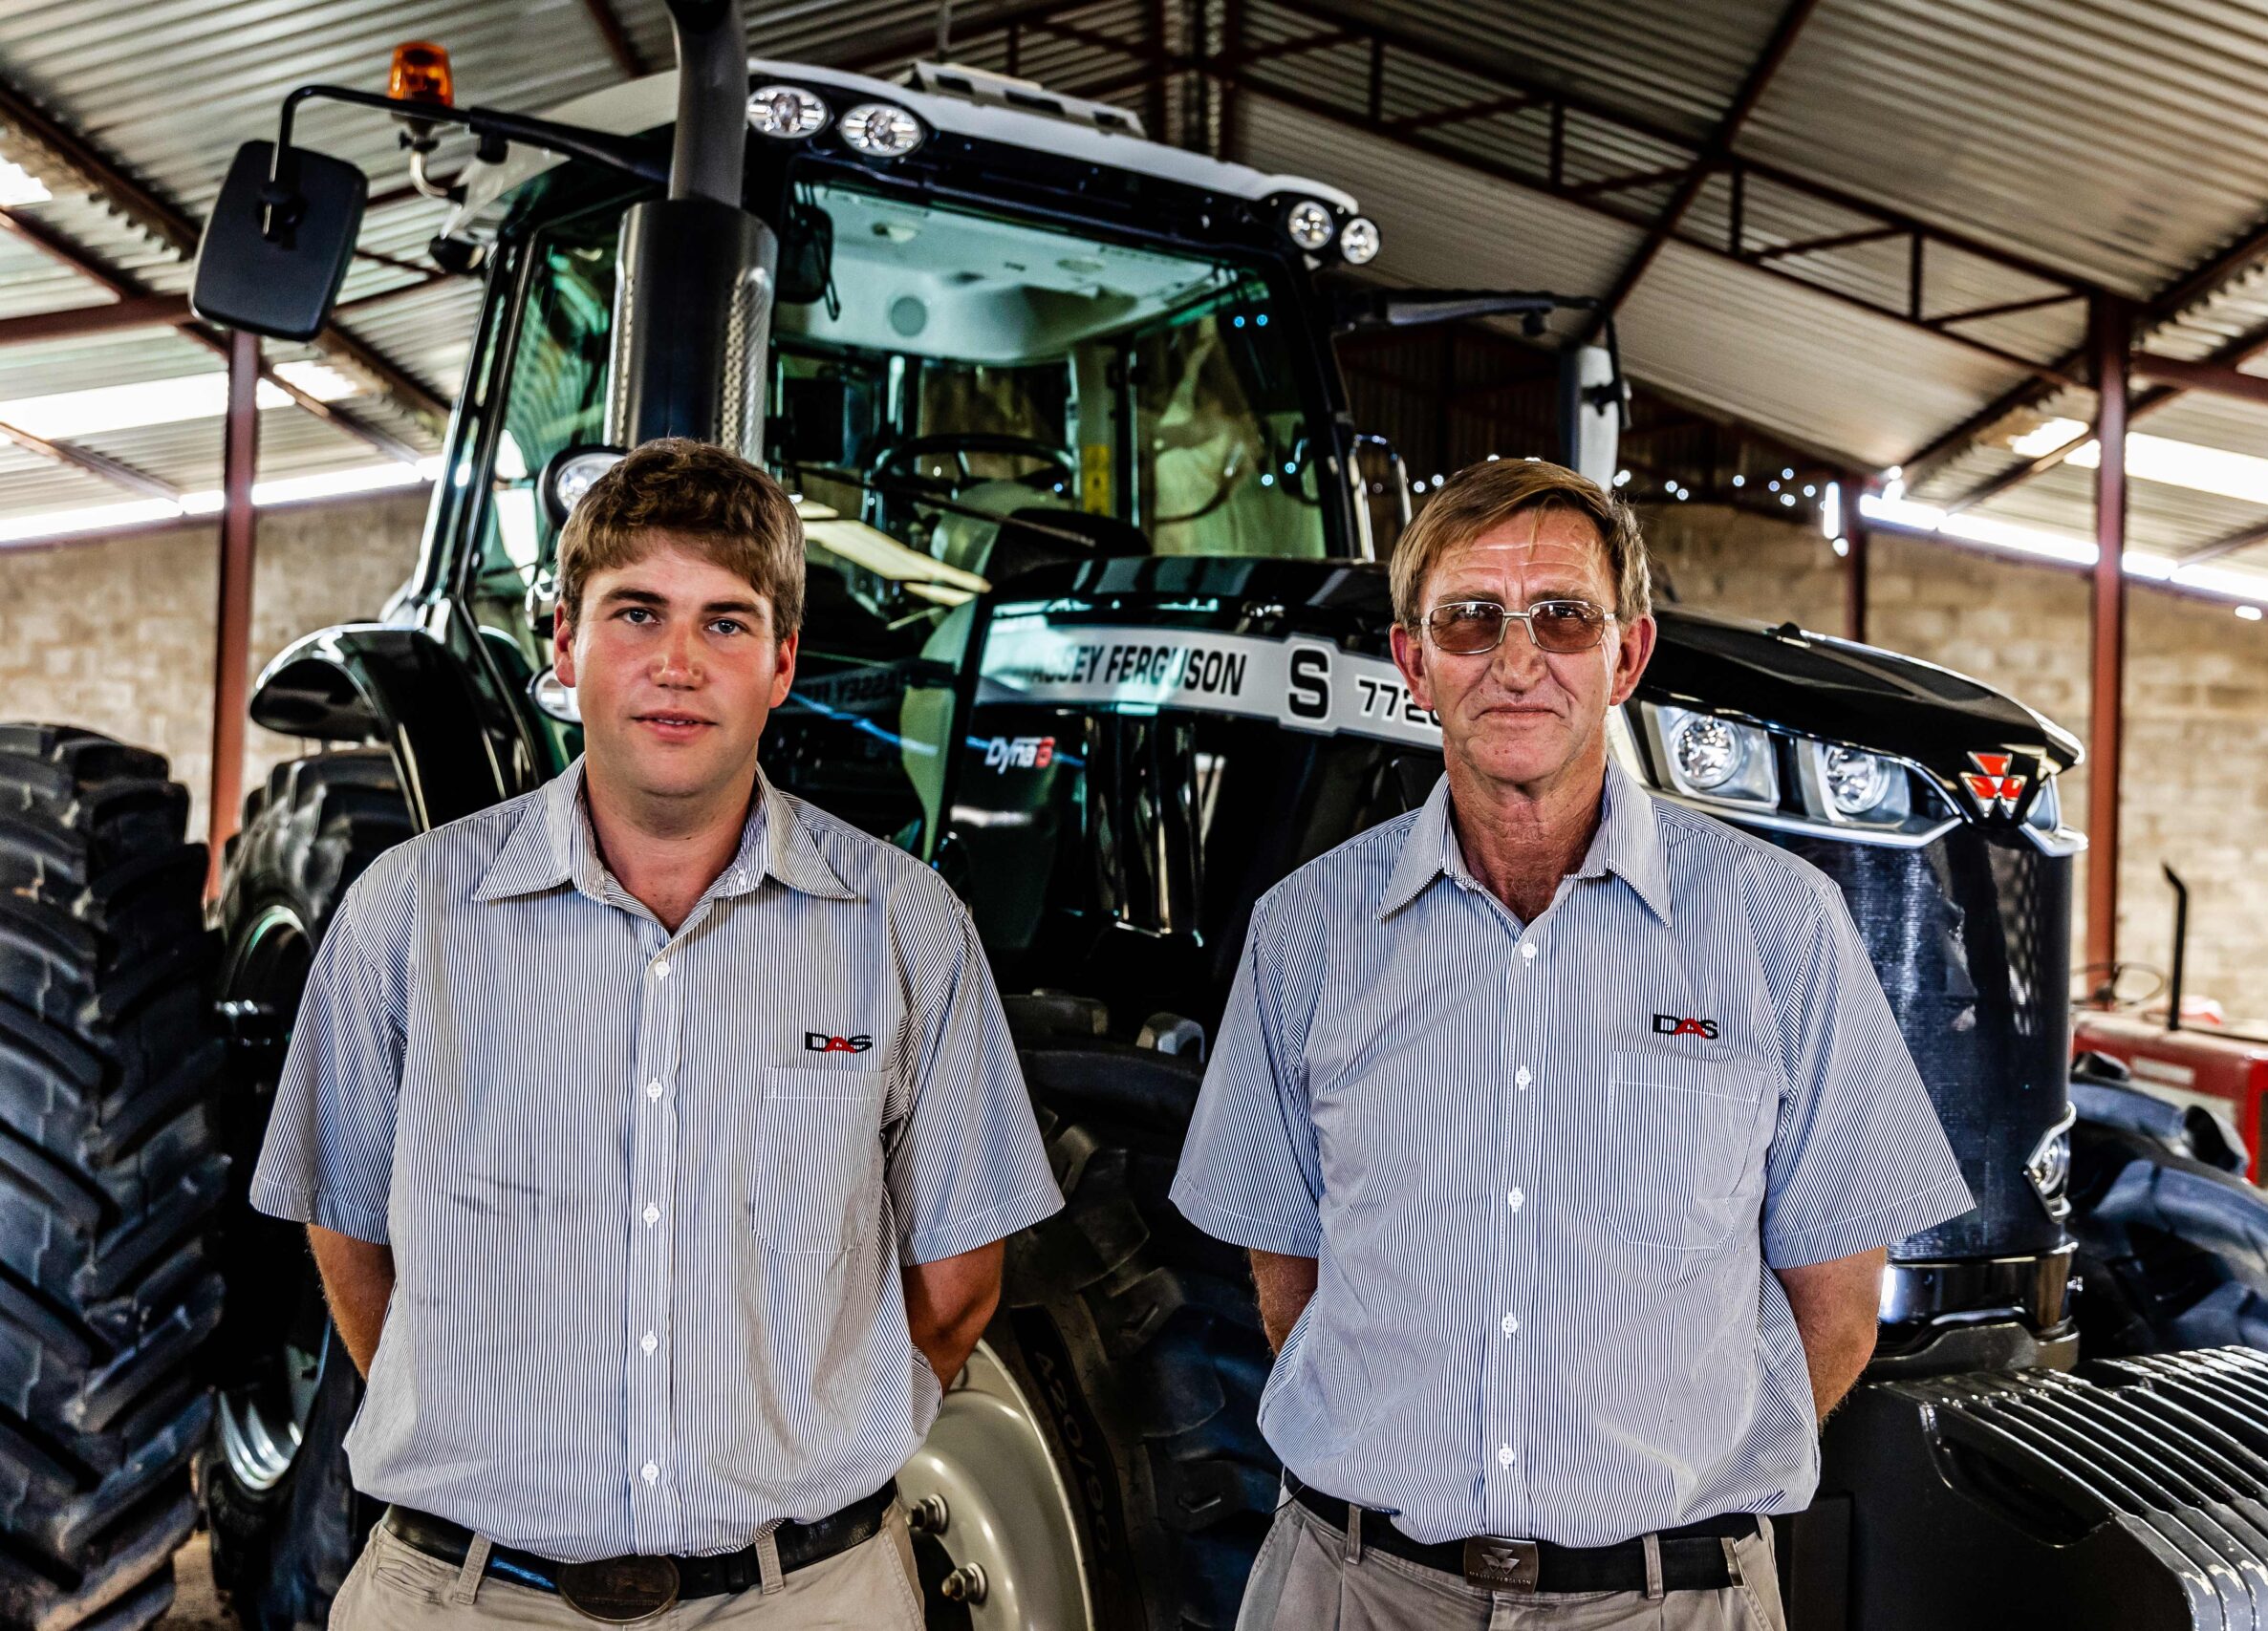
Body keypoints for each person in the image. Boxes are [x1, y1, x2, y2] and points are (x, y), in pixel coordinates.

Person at [251, 438, 1063, 1630]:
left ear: (783, 663)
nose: (679, 664)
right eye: (637, 613)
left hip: (806, 1600)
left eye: (727, 624)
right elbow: (348, 1231)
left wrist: (809, 1456)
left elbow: (954, 1289)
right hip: (466, 1598)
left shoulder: (907, 928)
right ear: (566, 646)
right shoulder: (405, 915)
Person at [1172, 458, 1973, 1629]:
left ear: (1626, 656)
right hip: (1352, 1590)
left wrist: (1664, 1487)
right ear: (1412, 663)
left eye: (1560, 616)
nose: (1514, 659)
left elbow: (1837, 1306)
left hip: (1663, 1604)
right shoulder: (1306, 932)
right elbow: (1287, 1279)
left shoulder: (1777, 925)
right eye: (1467, 619)